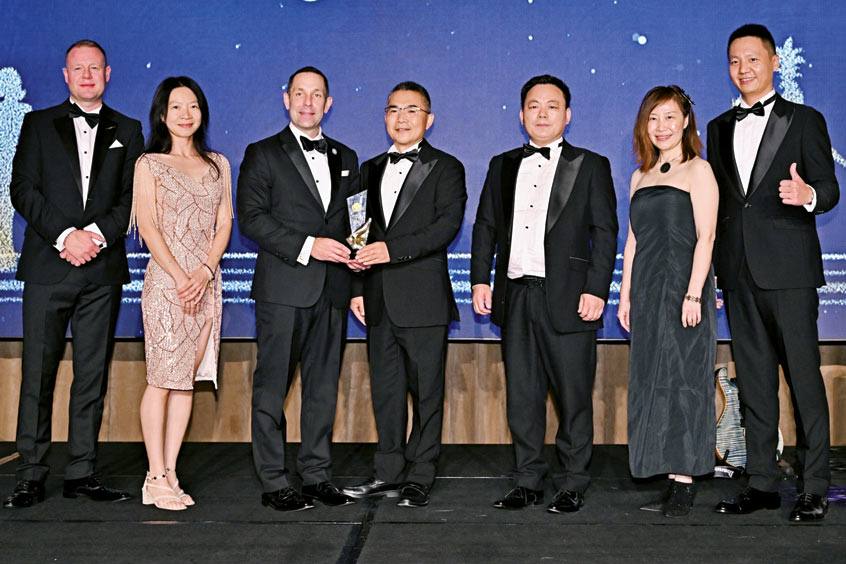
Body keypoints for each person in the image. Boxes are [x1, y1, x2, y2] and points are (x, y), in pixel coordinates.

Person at [708, 24, 839, 522]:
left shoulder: (805, 120)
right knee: (755, 383)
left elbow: (829, 188)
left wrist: (808, 196)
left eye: (753, 59)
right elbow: (721, 207)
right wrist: (715, 273)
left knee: (804, 381)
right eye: (734, 61)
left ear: (774, 63)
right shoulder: (718, 127)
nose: (743, 69)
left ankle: (815, 486)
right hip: (738, 273)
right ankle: (761, 481)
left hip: (789, 273)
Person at [4, 40, 143, 508]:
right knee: (37, 374)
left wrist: (95, 237)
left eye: (94, 68)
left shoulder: (129, 129)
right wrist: (66, 236)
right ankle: (31, 473)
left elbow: (132, 198)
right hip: (48, 267)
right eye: (78, 68)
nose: (86, 75)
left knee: (91, 375)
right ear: (65, 75)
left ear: (108, 73)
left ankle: (82, 471)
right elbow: (22, 188)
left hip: (102, 271)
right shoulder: (37, 124)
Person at [471, 75, 618, 513]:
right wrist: (480, 279)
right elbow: (485, 225)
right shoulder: (501, 165)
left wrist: (597, 289)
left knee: (573, 396)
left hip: (570, 299)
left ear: (567, 115)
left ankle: (573, 481)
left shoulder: (591, 164)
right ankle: (528, 479)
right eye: (533, 106)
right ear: (521, 115)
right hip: (515, 296)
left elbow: (605, 232)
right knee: (522, 396)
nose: (542, 113)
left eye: (552, 106)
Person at [237, 66, 359, 512]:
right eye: (300, 94)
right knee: (272, 388)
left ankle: (316, 475)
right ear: (287, 99)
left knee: (323, 389)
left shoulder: (348, 157)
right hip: (284, 289)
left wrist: (358, 269)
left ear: (329, 103)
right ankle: (274, 480)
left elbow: (356, 223)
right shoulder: (263, 153)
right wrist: (310, 245)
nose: (308, 102)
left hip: (333, 290)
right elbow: (251, 218)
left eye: (317, 95)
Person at [342, 82, 466, 508]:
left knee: (427, 392)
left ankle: (421, 473)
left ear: (429, 119)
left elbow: (445, 227)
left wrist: (391, 251)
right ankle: (387, 471)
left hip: (423, 299)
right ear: (384, 117)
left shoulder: (447, 167)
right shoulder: (368, 168)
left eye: (412, 110)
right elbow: (357, 231)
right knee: (387, 390)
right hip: (376, 299)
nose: (402, 117)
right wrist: (357, 287)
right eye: (394, 109)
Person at [131, 77, 232, 510]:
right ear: (162, 114)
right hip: (167, 285)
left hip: (206, 284)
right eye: (176, 107)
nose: (185, 114)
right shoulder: (149, 164)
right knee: (161, 379)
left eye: (193, 106)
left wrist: (205, 272)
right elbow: (148, 226)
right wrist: (179, 277)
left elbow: (224, 223)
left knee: (185, 382)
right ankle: (153, 476)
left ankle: (170, 472)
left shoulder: (218, 164)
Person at [618, 86, 718, 517]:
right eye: (653, 118)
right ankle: (663, 469)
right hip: (646, 292)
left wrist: (693, 293)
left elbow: (706, 237)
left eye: (670, 117)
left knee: (685, 380)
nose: (661, 126)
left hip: (684, 290)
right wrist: (624, 295)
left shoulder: (699, 170)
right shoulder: (639, 176)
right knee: (650, 380)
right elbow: (633, 242)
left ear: (686, 122)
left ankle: (685, 480)